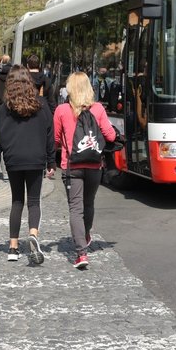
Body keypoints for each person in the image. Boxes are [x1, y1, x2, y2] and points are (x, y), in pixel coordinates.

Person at [0, 65, 55, 264]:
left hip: (13, 159)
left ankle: (13, 247)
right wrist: (51, 162)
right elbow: (50, 135)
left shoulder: (4, 108)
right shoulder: (41, 105)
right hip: (36, 158)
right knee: (34, 202)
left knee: (17, 201)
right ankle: (33, 234)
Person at [53, 71, 117, 270]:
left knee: (75, 208)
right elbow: (111, 136)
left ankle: (81, 253)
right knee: (88, 204)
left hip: (71, 166)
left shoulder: (62, 110)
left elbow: (55, 139)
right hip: (94, 165)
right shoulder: (98, 109)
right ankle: (86, 234)